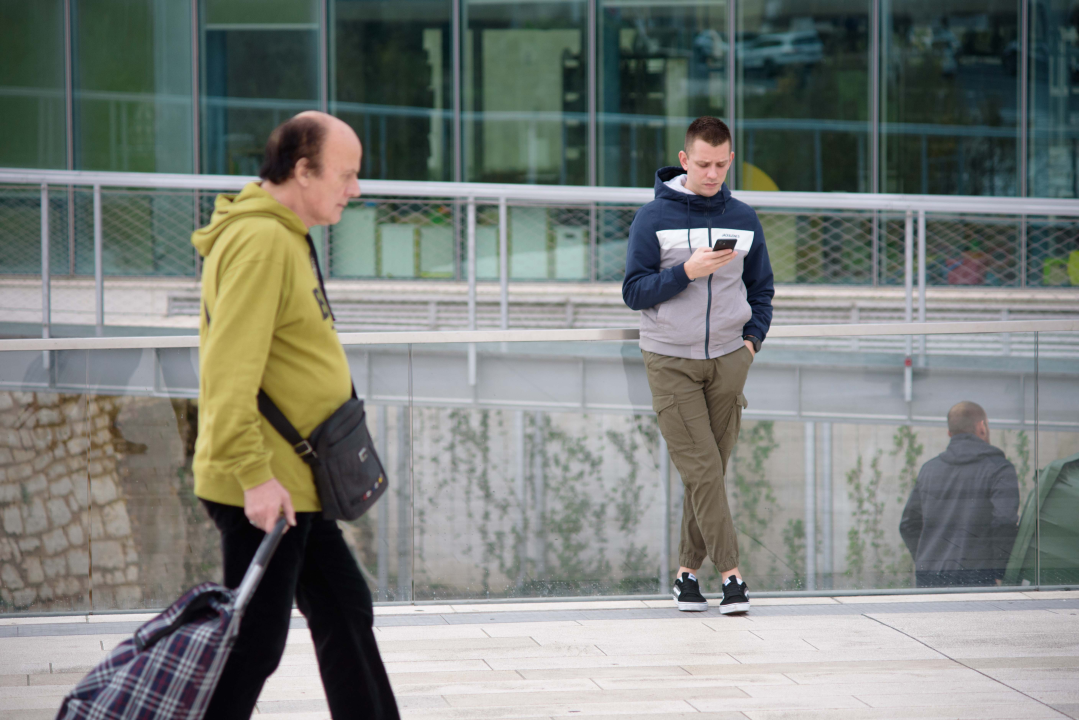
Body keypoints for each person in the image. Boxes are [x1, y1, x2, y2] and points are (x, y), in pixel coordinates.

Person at [191, 111, 399, 719]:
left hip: (296, 482)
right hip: (266, 484)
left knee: (344, 608)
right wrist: (255, 477)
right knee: (252, 645)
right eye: (346, 175)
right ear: (303, 170)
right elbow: (229, 374)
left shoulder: (285, 235)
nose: (354, 190)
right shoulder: (260, 244)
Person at [622, 117, 774, 614]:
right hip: (671, 361)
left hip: (729, 360)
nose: (712, 174)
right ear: (684, 161)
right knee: (706, 469)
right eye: (702, 164)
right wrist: (685, 272)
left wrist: (750, 344)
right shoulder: (652, 218)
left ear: (730, 160)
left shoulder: (746, 218)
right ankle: (732, 578)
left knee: (707, 473)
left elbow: (762, 290)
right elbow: (633, 291)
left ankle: (687, 576)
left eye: (720, 164)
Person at [900, 401, 1020, 588]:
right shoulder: (999, 469)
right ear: (982, 427)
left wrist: (927, 562)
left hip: (930, 579)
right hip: (977, 578)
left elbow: (908, 525)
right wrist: (998, 570)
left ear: (950, 434)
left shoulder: (929, 470)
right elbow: (1004, 521)